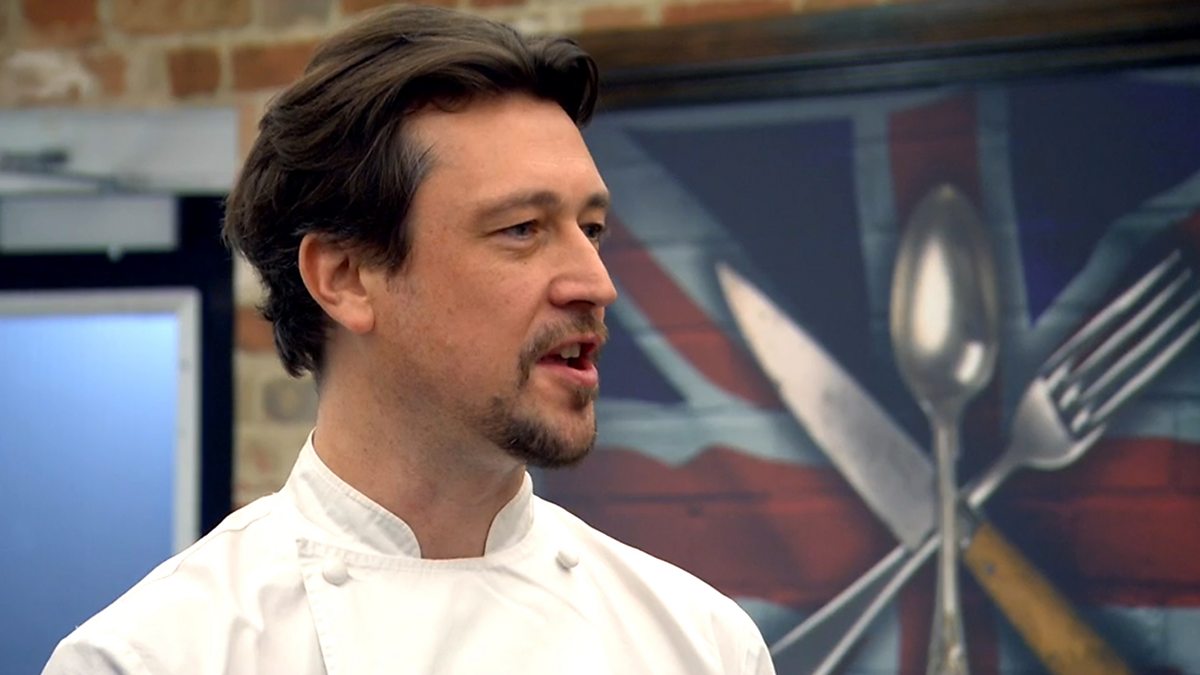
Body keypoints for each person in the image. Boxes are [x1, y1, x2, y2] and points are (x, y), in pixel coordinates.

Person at [43, 5, 776, 674]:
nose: (596, 283)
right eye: (522, 229)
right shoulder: (156, 656)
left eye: (590, 229)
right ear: (345, 278)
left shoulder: (701, 645)